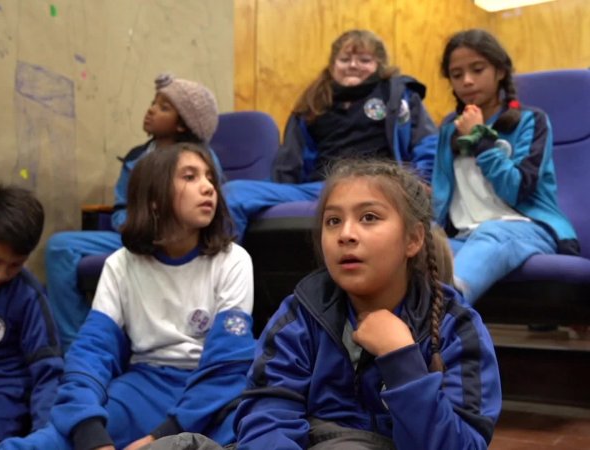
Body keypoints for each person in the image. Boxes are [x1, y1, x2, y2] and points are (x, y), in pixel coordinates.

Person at [141, 158, 502, 450]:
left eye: (369, 217)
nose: (346, 234)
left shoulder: (456, 328)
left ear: (413, 239)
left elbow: (461, 444)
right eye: (333, 221)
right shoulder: (300, 314)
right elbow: (267, 412)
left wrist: (402, 361)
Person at [0, 143, 255, 450]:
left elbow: (227, 365)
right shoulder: (121, 265)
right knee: (47, 443)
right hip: (143, 387)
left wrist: (158, 438)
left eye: (210, 178)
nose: (208, 187)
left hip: (213, 399)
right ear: (154, 198)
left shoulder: (232, 260)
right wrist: (90, 433)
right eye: (190, 177)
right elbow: (92, 350)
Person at [45, 74, 222, 349]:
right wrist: (140, 223)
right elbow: (120, 208)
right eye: (153, 103)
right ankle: (72, 342)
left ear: (181, 123)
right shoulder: (135, 157)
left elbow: (211, 208)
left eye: (164, 107)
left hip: (183, 237)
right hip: (135, 232)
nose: (151, 110)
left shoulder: (202, 160)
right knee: (59, 247)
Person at [223, 29, 438, 240]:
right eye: (344, 59)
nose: (353, 65)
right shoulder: (313, 102)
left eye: (364, 60)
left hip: (379, 184)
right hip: (320, 188)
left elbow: (427, 143)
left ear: (379, 66)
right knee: (233, 193)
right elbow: (288, 164)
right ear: (332, 65)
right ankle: (225, 263)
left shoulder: (397, 95)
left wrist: (418, 183)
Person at [432, 28, 579, 304]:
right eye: (457, 74)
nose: (467, 81)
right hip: (465, 235)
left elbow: (516, 189)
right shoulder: (449, 129)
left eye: (477, 70)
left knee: (492, 233)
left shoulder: (531, 121)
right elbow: (440, 196)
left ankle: (447, 308)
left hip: (527, 228)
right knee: (418, 243)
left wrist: (480, 139)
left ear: (499, 71)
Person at [0, 185, 63, 448]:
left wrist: (44, 436)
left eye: (15, 265)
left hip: (2, 394)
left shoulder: (29, 296)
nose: (1, 274)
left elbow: (48, 371)